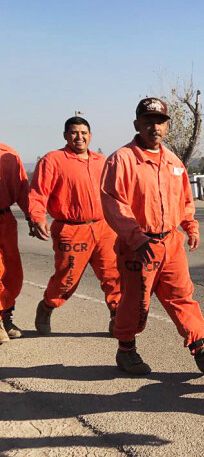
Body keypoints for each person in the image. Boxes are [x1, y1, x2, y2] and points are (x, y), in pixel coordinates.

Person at [100, 97, 204, 375]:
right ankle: (126, 351)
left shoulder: (173, 161)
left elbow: (184, 198)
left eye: (159, 122)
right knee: (136, 301)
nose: (154, 127)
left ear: (167, 126)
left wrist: (190, 226)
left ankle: (200, 348)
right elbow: (113, 203)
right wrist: (136, 238)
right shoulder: (122, 160)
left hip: (170, 243)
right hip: (139, 245)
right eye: (148, 121)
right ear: (137, 124)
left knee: (182, 296)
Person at [29, 116, 120, 336]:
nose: (79, 137)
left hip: (103, 228)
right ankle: (47, 306)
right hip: (70, 230)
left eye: (83, 133)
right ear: (65, 135)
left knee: (114, 275)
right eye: (74, 132)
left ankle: (118, 319)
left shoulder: (102, 161)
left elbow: (117, 192)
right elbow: (38, 193)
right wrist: (37, 217)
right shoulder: (53, 160)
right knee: (66, 280)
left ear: (90, 136)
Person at [0, 143, 30, 344]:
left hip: (5, 219)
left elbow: (22, 189)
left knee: (13, 274)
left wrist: (32, 216)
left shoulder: (9, 154)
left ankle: (6, 316)